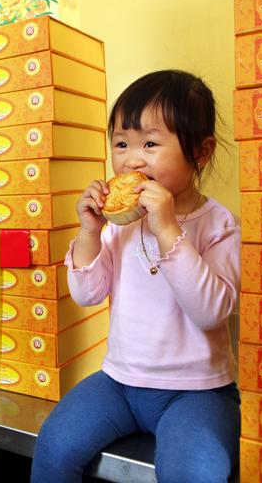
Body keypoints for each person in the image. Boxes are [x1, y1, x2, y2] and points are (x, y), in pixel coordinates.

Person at [31, 70, 241, 482]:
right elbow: (87, 294)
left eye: (150, 143)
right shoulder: (120, 223)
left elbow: (210, 313)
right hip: (120, 383)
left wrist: (168, 230)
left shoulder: (219, 225)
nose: (131, 160)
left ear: (201, 152)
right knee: (53, 445)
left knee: (193, 473)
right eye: (121, 144)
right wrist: (90, 232)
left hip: (197, 391)